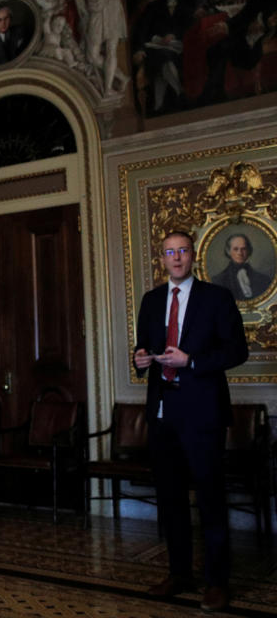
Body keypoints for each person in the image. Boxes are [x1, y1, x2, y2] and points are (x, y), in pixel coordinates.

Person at [133, 231, 248, 613]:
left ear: (193, 255)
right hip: (163, 413)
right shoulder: (151, 301)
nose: (177, 258)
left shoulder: (216, 297)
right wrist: (139, 360)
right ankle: (178, 573)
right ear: (161, 259)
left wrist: (192, 362)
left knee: (211, 499)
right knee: (170, 500)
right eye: (170, 252)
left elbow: (237, 350)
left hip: (202, 413)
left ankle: (217, 582)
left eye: (183, 251)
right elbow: (144, 347)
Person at [132, 0, 194, 113]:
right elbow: (142, 29)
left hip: (179, 49)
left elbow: (190, 28)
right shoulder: (153, 6)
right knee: (164, 58)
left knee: (164, 66)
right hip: (155, 48)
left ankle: (158, 106)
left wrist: (174, 35)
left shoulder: (187, 6)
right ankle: (180, 93)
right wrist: (139, 49)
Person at [211, 233, 272, 300]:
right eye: (235, 249)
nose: (240, 253)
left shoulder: (264, 280)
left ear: (248, 251)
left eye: (243, 249)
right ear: (228, 251)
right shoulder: (217, 281)